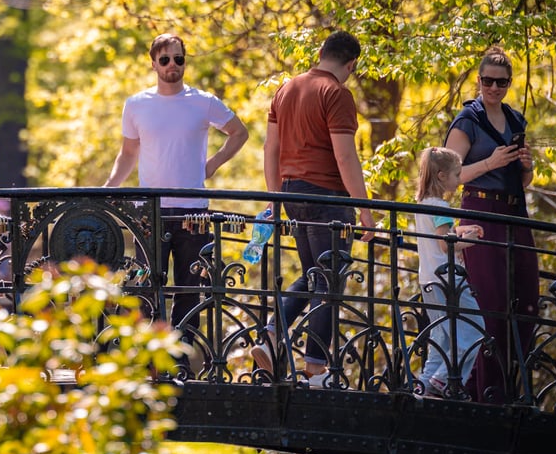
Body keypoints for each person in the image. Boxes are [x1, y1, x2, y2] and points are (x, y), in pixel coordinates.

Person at [103, 33, 249, 344]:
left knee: (190, 288)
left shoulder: (204, 102)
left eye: (178, 59)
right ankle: (145, 358)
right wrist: (108, 187)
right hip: (150, 212)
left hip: (193, 211)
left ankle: (181, 358)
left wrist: (211, 165)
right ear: (153, 63)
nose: (173, 65)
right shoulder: (137, 104)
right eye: (165, 59)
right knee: (145, 286)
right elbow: (128, 153)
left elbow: (239, 133)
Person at [255, 30, 376, 388]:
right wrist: (364, 208)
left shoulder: (287, 89)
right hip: (328, 198)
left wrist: (275, 199)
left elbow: (270, 150)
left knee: (314, 276)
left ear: (321, 52)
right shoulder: (337, 94)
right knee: (329, 279)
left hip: (292, 193)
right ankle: (316, 369)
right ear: (351, 64)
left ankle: (272, 334)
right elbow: (344, 155)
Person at [444, 45, 537, 404]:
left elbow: (523, 181)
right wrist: (490, 163)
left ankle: (503, 387)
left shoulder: (515, 120)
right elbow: (448, 178)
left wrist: (525, 166)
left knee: (528, 302)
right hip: (480, 215)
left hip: (515, 214)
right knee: (493, 307)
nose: (494, 88)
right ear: (478, 80)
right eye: (487, 81)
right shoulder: (469, 120)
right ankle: (483, 394)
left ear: (509, 84)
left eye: (501, 82)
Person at [414, 147, 485, 398]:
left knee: (441, 338)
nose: (459, 179)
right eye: (457, 175)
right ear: (442, 176)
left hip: (429, 280)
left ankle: (422, 388)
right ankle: (443, 381)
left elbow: (439, 237)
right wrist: (472, 240)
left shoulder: (424, 204)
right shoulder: (442, 206)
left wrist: (462, 230)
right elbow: (446, 244)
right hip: (449, 281)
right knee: (474, 328)